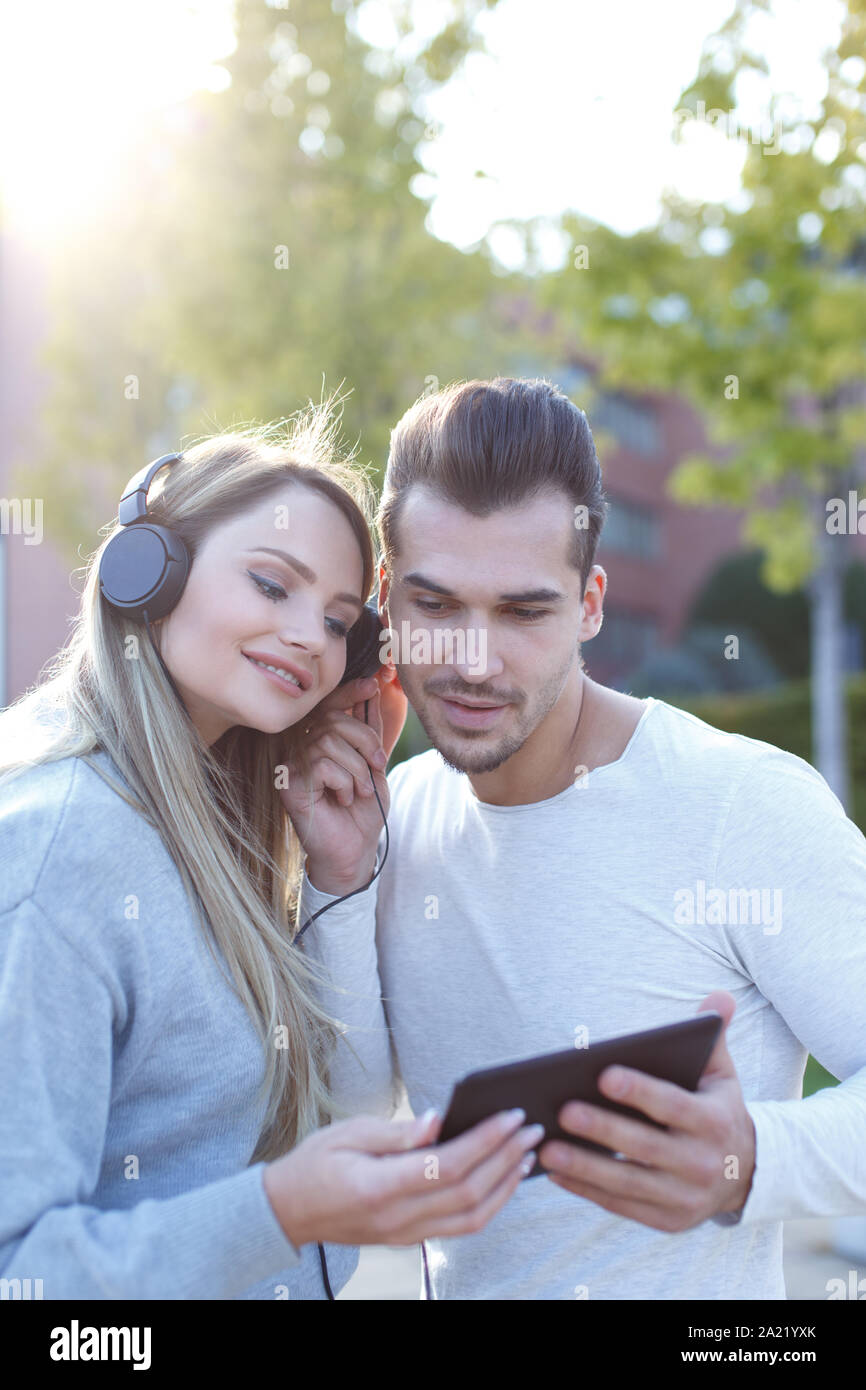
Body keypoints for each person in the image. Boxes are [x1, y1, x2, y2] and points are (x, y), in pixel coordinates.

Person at [285, 377, 866, 1300]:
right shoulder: (388, 818)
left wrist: (753, 1157)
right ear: (387, 602)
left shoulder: (740, 806)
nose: (474, 661)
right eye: (436, 607)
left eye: (524, 612)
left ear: (591, 603)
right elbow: (353, 1118)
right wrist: (339, 882)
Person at [0, 403, 540, 1301]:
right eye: (270, 584)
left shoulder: (211, 828)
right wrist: (280, 1211)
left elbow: (326, 1118)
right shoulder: (62, 848)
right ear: (151, 573)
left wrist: (337, 877)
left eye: (338, 623)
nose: (307, 638)